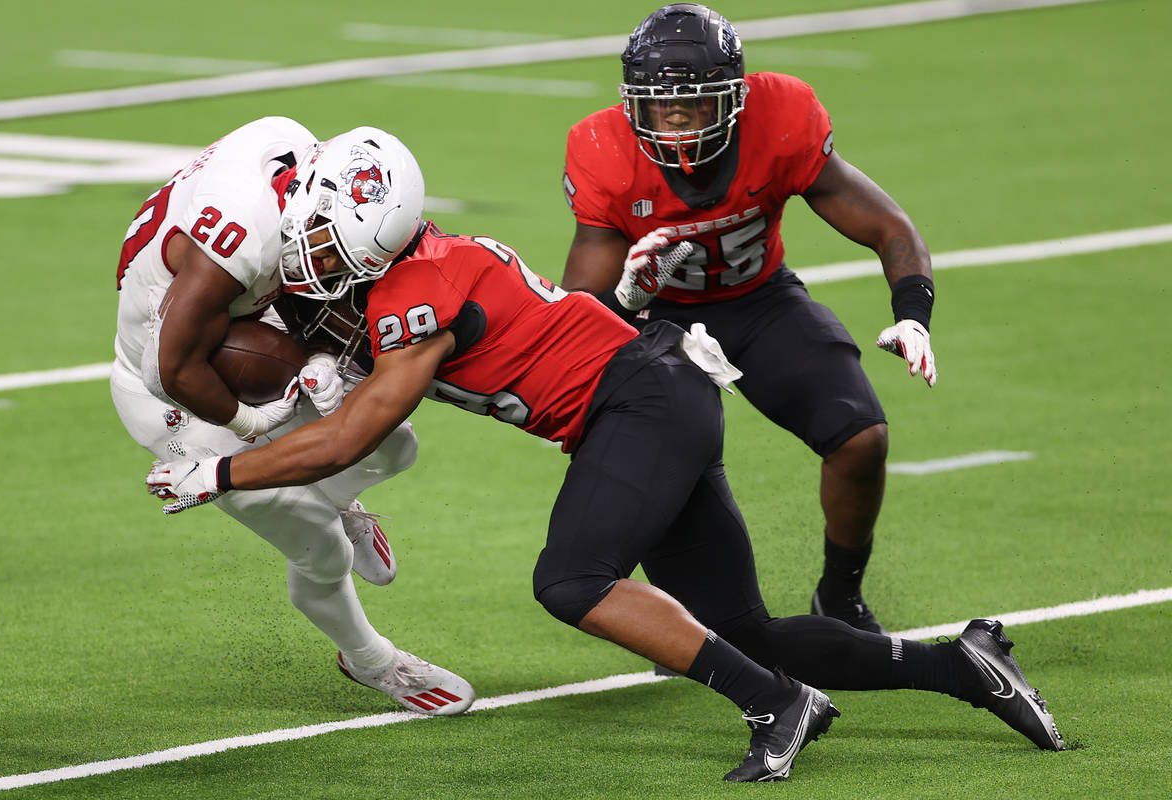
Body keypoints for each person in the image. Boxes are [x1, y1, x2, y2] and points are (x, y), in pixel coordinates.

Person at [143, 126, 1065, 783]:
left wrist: (219, 471)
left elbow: (354, 434)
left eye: (326, 245)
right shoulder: (414, 264)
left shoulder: (417, 292)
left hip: (640, 403)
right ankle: (964, 664)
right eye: (309, 231)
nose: (307, 257)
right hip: (655, 395)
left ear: (376, 250)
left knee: (570, 581)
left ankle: (779, 705)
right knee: (743, 627)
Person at [561, 3, 939, 634]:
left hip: (760, 300)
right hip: (657, 321)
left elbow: (887, 225)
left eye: (693, 104)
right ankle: (685, 627)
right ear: (631, 105)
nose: (675, 122)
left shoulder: (781, 117)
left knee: (861, 438)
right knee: (666, 475)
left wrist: (913, 316)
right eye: (659, 107)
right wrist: (627, 296)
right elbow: (576, 320)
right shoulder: (602, 149)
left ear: (735, 98)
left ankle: (839, 595)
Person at [111, 116, 473, 716]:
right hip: (173, 395)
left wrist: (320, 357)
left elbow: (305, 288)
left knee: (393, 444)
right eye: (328, 250)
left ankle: (340, 498)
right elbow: (168, 370)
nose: (328, 269)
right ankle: (371, 660)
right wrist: (251, 426)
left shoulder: (294, 153)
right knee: (323, 549)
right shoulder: (237, 236)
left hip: (241, 332)